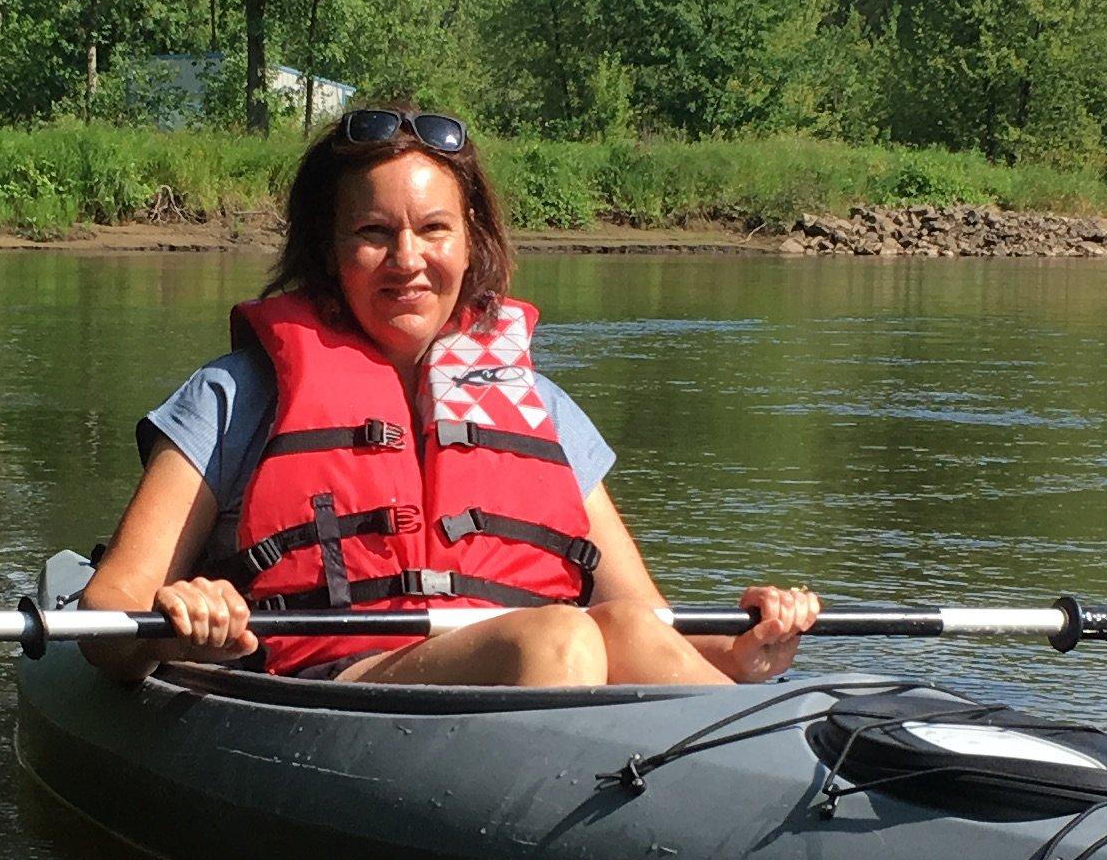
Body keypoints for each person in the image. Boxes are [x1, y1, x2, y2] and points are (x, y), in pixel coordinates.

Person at [85, 108, 819, 686]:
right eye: (373, 234)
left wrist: (742, 646)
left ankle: (775, 772)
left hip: (532, 684)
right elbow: (109, 611)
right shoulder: (236, 396)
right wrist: (178, 617)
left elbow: (644, 614)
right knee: (559, 636)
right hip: (333, 688)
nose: (408, 260)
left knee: (619, 627)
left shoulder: (537, 405)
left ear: (470, 245)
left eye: (434, 229)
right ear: (328, 250)